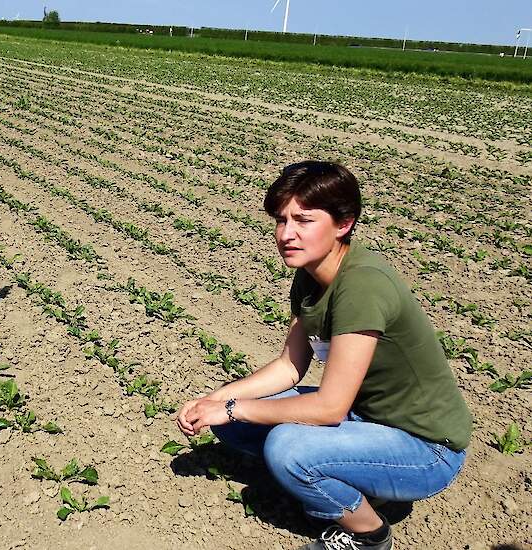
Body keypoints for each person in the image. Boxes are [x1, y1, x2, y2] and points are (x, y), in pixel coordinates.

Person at [176, 161, 472, 550]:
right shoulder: (311, 275)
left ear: (343, 224)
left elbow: (330, 407)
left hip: (426, 448)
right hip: (367, 419)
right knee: (233, 417)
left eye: (304, 220)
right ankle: (341, 482)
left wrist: (234, 408)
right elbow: (289, 365)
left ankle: (368, 533)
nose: (287, 234)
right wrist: (217, 400)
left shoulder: (362, 286)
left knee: (287, 448)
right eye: (281, 220)